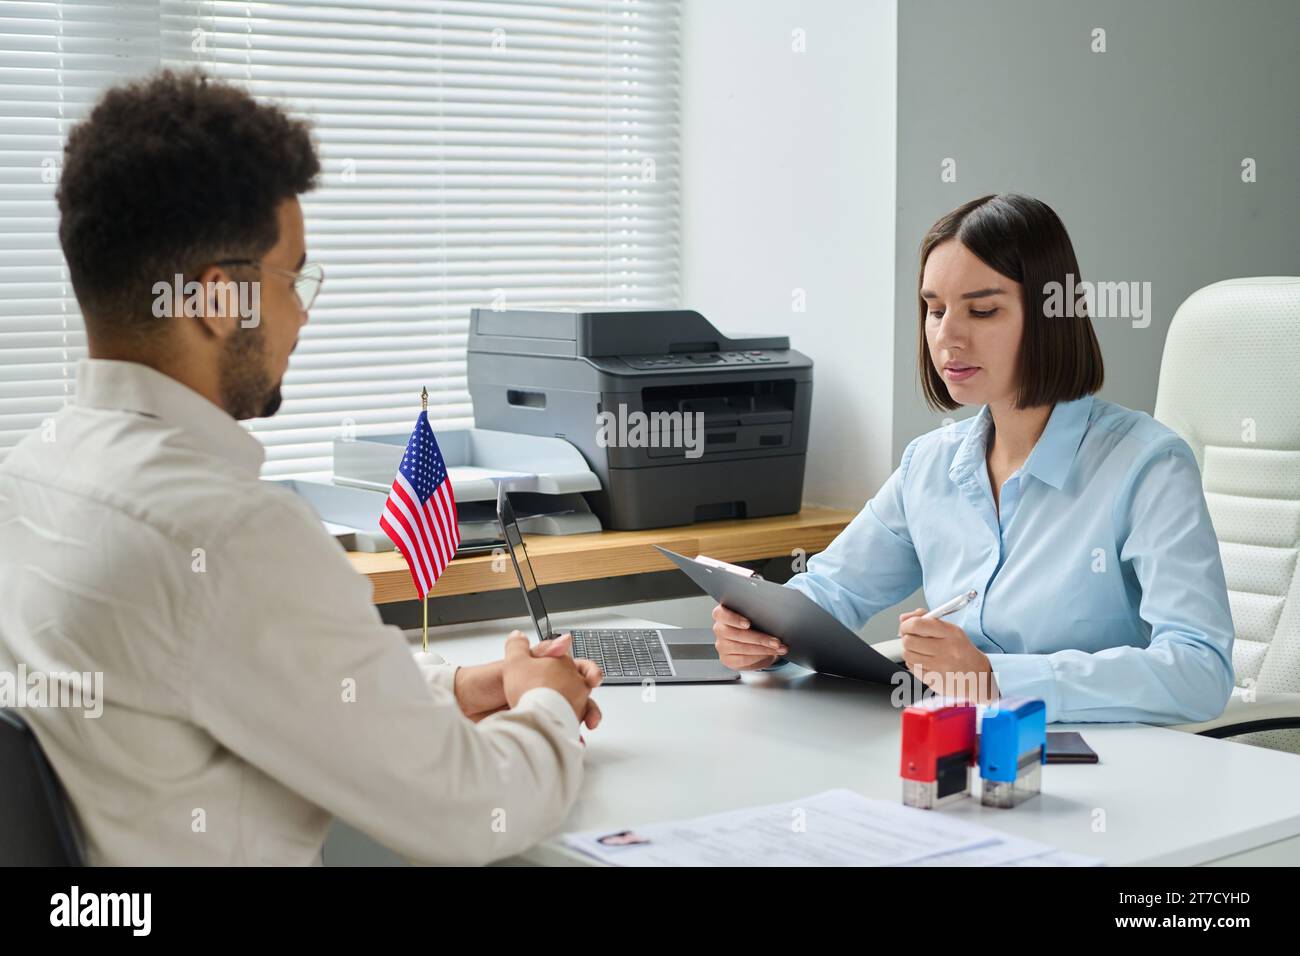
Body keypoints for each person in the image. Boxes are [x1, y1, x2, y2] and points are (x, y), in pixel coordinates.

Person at [0, 70, 601, 865]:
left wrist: (459, 690)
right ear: (218, 302)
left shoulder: (31, 479)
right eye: (294, 278)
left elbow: (214, 681)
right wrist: (549, 709)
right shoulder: (227, 533)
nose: (303, 312)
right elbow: (473, 811)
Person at [712, 193, 1235, 725]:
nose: (947, 336)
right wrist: (763, 632)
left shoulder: (1147, 466)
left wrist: (994, 678)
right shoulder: (931, 463)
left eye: (982, 310)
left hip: (1101, 762)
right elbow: (835, 588)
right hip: (958, 748)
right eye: (935, 310)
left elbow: (1200, 670)